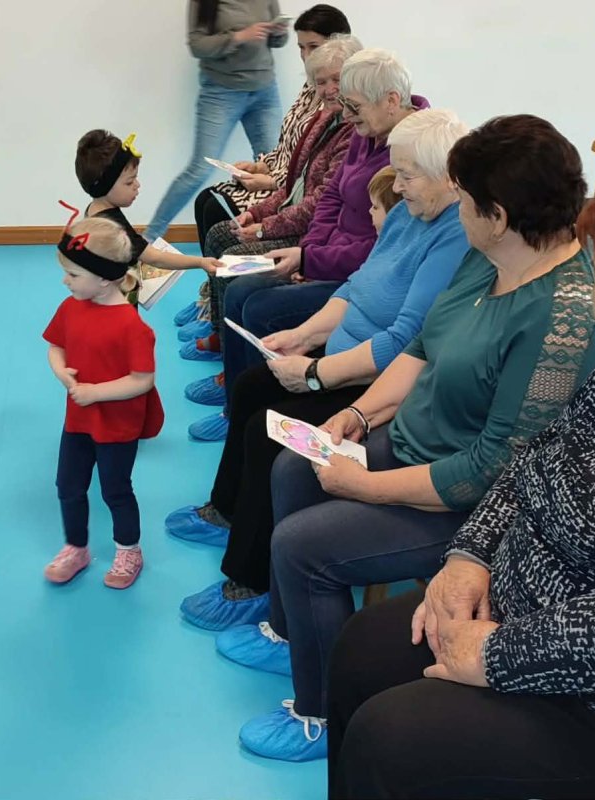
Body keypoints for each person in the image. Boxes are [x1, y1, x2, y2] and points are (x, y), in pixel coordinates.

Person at [327, 160, 595, 799]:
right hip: (520, 610)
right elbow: (535, 457)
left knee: (390, 739)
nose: (592, 302)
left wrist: (495, 655)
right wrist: (469, 558)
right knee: (362, 649)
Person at [221, 114, 595, 763]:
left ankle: (319, 713)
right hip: (417, 442)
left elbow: (492, 470)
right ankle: (292, 634)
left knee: (301, 546)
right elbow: (424, 345)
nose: (455, 207)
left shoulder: (560, 316)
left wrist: (364, 485)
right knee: (292, 467)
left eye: (465, 198)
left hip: (468, 501)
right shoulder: (488, 259)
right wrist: (359, 414)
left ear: (497, 215)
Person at [171, 109, 472, 622]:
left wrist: (314, 374)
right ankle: (228, 510)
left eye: (406, 174)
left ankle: (251, 582)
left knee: (267, 432)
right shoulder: (409, 210)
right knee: (250, 387)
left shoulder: (454, 236)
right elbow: (356, 286)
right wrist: (304, 336)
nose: (396, 185)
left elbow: (406, 341)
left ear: (447, 176)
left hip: (374, 381)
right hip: (343, 355)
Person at [188, 48, 430, 441]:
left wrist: (311, 260)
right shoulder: (368, 132)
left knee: (255, 302)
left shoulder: (411, 160)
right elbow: (329, 196)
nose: (346, 115)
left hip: (348, 272)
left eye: (353, 105)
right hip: (326, 258)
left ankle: (258, 410)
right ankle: (237, 402)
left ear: (390, 100)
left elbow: (376, 251)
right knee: (241, 288)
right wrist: (308, 252)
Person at [182, 35, 362, 389]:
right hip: (307, 231)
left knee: (234, 263)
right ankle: (223, 339)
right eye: (321, 81)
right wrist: (257, 215)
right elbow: (294, 181)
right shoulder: (323, 118)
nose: (328, 89)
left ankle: (235, 374)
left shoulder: (352, 132)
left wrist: (270, 230)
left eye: (335, 80)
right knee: (221, 232)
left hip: (309, 234)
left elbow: (317, 204)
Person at [42, 217, 164, 590]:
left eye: (73, 274)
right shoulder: (70, 307)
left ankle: (129, 550)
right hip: (78, 421)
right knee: (68, 485)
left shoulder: (132, 326)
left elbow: (142, 380)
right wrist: (61, 372)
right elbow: (56, 346)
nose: (65, 281)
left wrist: (95, 392)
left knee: (115, 489)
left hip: (117, 425)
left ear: (105, 279)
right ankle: (76, 548)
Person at [144, 0, 289, 243]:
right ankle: (147, 239)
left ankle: (271, 239)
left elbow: (277, 41)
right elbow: (197, 45)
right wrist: (239, 37)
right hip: (221, 93)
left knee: (277, 170)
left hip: (265, 91)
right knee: (199, 169)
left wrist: (279, 33)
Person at [75, 129, 222, 290]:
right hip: (115, 298)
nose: (137, 185)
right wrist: (200, 262)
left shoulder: (93, 210)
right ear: (105, 187)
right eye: (129, 182)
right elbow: (155, 258)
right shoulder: (113, 227)